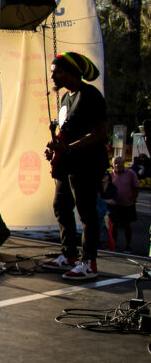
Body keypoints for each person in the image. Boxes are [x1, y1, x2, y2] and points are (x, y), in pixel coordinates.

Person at [41, 52, 107, 280]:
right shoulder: (64, 100)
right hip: (67, 164)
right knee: (61, 205)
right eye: (52, 73)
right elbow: (64, 133)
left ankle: (89, 262)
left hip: (86, 163)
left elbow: (99, 134)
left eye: (56, 72)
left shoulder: (91, 95)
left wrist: (70, 148)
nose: (53, 77)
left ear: (70, 72)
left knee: (86, 212)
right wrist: (54, 147)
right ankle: (68, 254)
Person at [109, 156, 139, 252]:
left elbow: (136, 188)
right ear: (113, 164)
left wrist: (133, 199)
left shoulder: (131, 173)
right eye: (115, 163)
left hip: (127, 204)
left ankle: (128, 245)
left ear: (124, 163)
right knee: (114, 225)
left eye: (120, 163)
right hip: (114, 205)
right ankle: (114, 245)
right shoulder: (110, 175)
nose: (117, 165)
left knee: (127, 225)